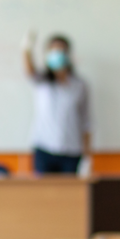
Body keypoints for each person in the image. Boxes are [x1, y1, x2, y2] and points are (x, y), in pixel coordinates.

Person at [22, 32, 91, 174]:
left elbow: (87, 122)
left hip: (71, 150)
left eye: (60, 50)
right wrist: (26, 49)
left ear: (67, 54)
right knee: (44, 194)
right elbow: (30, 71)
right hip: (44, 148)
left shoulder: (79, 85)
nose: (57, 54)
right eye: (53, 50)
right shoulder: (42, 82)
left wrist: (87, 157)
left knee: (69, 194)